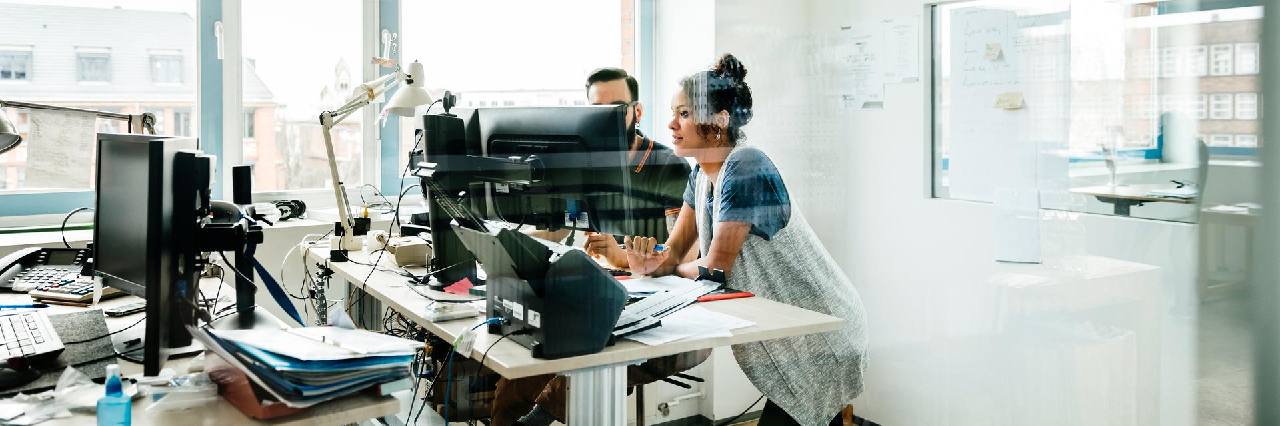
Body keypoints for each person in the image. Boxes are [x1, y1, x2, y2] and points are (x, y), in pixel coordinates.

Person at [625, 53, 869, 426]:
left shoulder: (746, 166)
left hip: (821, 331)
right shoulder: (701, 174)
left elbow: (714, 269)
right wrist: (653, 264)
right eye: (674, 113)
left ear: (718, 121)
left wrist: (670, 266)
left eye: (684, 114)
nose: (672, 123)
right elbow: (674, 253)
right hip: (794, 331)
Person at [489, 67, 706, 426]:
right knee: (513, 381)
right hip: (595, 301)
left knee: (569, 381)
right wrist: (502, 241)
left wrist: (620, 255)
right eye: (596, 110)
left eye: (616, 108)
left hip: (659, 311)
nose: (605, 119)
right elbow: (557, 232)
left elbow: (684, 256)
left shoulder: (668, 166)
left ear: (636, 112)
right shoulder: (585, 164)